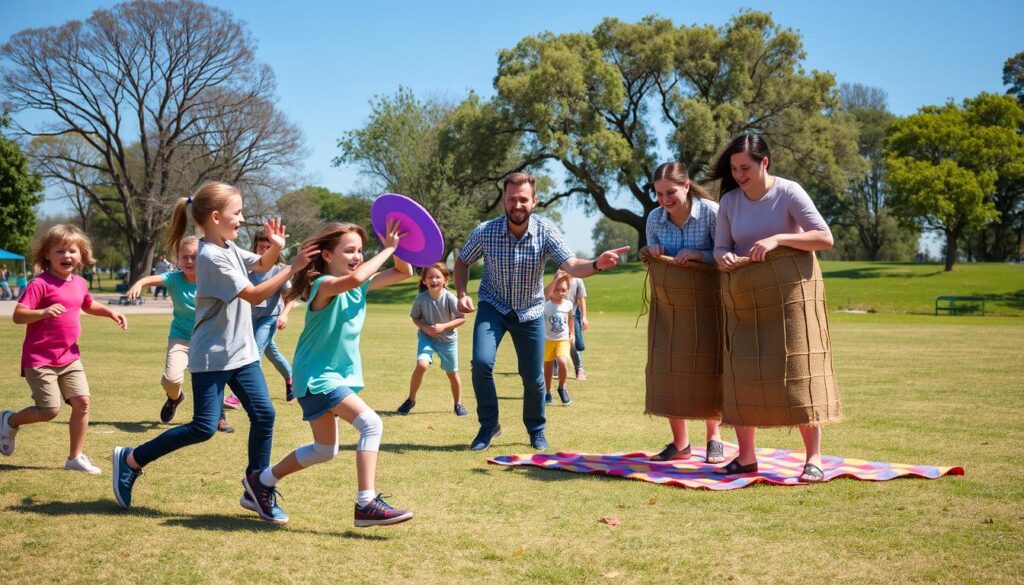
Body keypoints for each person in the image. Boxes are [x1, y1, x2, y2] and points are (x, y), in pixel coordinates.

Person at [111, 182, 318, 517]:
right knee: (203, 428)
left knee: (265, 414)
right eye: (237, 213)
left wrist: (277, 249)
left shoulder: (230, 247)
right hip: (212, 356)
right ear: (216, 216)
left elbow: (262, 265)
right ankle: (132, 459)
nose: (242, 218)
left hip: (243, 352)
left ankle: (257, 486)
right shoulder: (210, 256)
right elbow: (253, 294)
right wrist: (291, 268)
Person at [243, 221, 415, 527]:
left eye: (361, 250)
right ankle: (366, 503)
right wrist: (387, 248)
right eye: (349, 250)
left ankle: (261, 481)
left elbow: (405, 273)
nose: (357, 256)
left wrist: (397, 246)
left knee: (324, 450)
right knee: (371, 424)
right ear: (326, 254)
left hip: (325, 377)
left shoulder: (357, 283)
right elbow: (358, 277)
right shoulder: (323, 285)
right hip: (318, 377)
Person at [455, 172, 630, 451]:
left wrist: (597, 263)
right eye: (512, 199)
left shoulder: (546, 232)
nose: (517, 205)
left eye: (523, 199)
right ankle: (489, 426)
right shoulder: (485, 231)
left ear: (534, 201)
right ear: (504, 200)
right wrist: (462, 294)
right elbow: (462, 262)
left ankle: (536, 428)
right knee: (482, 363)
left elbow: (571, 264)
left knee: (533, 376)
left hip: (531, 310)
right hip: (493, 306)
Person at [710, 134, 836, 482]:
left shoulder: (789, 192)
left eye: (745, 167)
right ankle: (745, 458)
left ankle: (814, 459)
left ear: (765, 162)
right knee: (743, 375)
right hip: (746, 300)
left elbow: (824, 237)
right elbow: (720, 248)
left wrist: (779, 239)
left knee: (799, 374)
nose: (738, 175)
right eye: (734, 169)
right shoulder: (730, 202)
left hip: (790, 298)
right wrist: (724, 256)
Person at [0, 225, 127, 474]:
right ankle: (9, 420)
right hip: (40, 359)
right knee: (50, 410)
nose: (66, 256)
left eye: (72, 250)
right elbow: (18, 315)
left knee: (82, 402)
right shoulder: (40, 284)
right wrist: (42, 312)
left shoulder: (79, 282)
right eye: (60, 251)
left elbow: (88, 305)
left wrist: (111, 312)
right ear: (47, 254)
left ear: (82, 255)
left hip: (70, 357)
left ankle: (75, 457)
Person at [644, 161, 725, 463]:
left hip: (709, 305)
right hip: (670, 307)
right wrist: (653, 253)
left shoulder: (712, 213)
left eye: (670, 193)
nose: (664, 201)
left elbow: (723, 254)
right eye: (659, 194)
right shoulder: (654, 219)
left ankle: (714, 438)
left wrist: (699, 256)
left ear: (687, 185)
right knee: (669, 369)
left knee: (709, 368)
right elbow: (655, 258)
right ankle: (681, 444)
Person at [125, 236, 233, 432]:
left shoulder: (212, 279)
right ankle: (174, 398)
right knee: (171, 379)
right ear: (178, 259)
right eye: (185, 257)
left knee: (212, 378)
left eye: (194, 257)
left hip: (207, 339)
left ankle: (219, 417)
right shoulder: (174, 279)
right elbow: (152, 279)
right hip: (181, 338)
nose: (189, 261)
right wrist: (139, 284)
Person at [397, 262, 467, 417]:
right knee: (421, 365)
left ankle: (458, 404)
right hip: (427, 338)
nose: (434, 280)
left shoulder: (450, 298)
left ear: (445, 280)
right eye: (430, 277)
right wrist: (424, 328)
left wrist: (444, 326)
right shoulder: (421, 299)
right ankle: (410, 400)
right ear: (424, 281)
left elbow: (462, 319)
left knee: (452, 373)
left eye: (437, 277)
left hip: (448, 341)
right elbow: (415, 318)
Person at [249, 231, 296, 402]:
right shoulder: (248, 267)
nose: (265, 251)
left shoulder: (279, 270)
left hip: (270, 317)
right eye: (261, 247)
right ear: (255, 247)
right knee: (271, 352)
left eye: (269, 247)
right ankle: (291, 378)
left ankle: (244, 394)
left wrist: (284, 315)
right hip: (249, 319)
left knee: (254, 352)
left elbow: (289, 297)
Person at [542, 274, 574, 405]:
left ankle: (562, 387)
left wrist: (572, 334)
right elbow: (545, 293)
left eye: (564, 290)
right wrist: (555, 279)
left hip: (563, 339)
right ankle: (548, 393)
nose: (560, 293)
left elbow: (571, 319)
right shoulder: (545, 305)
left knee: (562, 361)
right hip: (547, 340)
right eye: (557, 289)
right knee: (548, 367)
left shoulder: (568, 304)